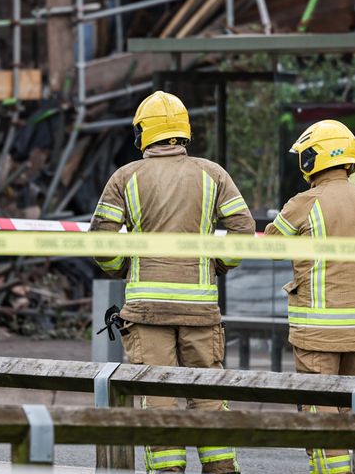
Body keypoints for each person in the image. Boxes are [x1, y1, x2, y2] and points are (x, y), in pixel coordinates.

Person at [89, 90, 255, 474]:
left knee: (157, 395)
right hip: (200, 310)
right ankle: (221, 468)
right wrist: (218, 263)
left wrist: (122, 266)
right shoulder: (213, 174)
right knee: (208, 393)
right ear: (183, 131)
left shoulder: (126, 177)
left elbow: (101, 240)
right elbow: (243, 229)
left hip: (147, 312)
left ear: (142, 133)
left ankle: (166, 470)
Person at [265, 119, 355, 474]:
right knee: (354, 411)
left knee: (321, 416)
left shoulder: (305, 203)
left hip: (317, 333)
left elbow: (272, 247)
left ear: (311, 159)